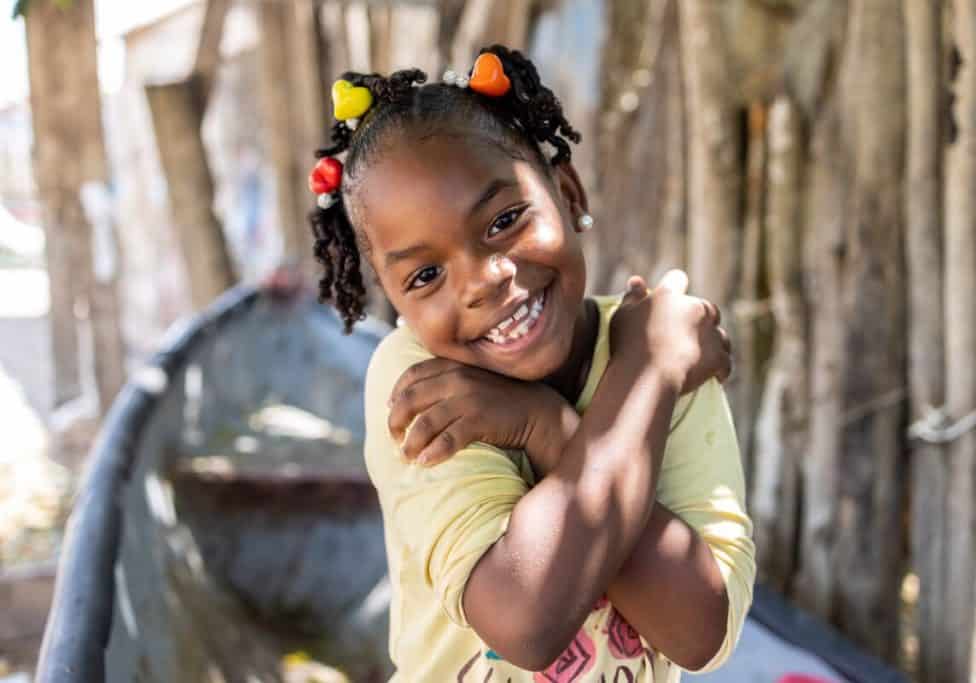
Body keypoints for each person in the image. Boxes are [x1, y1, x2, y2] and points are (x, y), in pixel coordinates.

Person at [307, 45, 755, 682]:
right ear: (394, 294)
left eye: (505, 219)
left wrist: (551, 426)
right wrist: (647, 378)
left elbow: (699, 633)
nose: (483, 282)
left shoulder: (650, 352)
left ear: (568, 194)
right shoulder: (415, 381)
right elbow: (526, 619)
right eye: (427, 274)